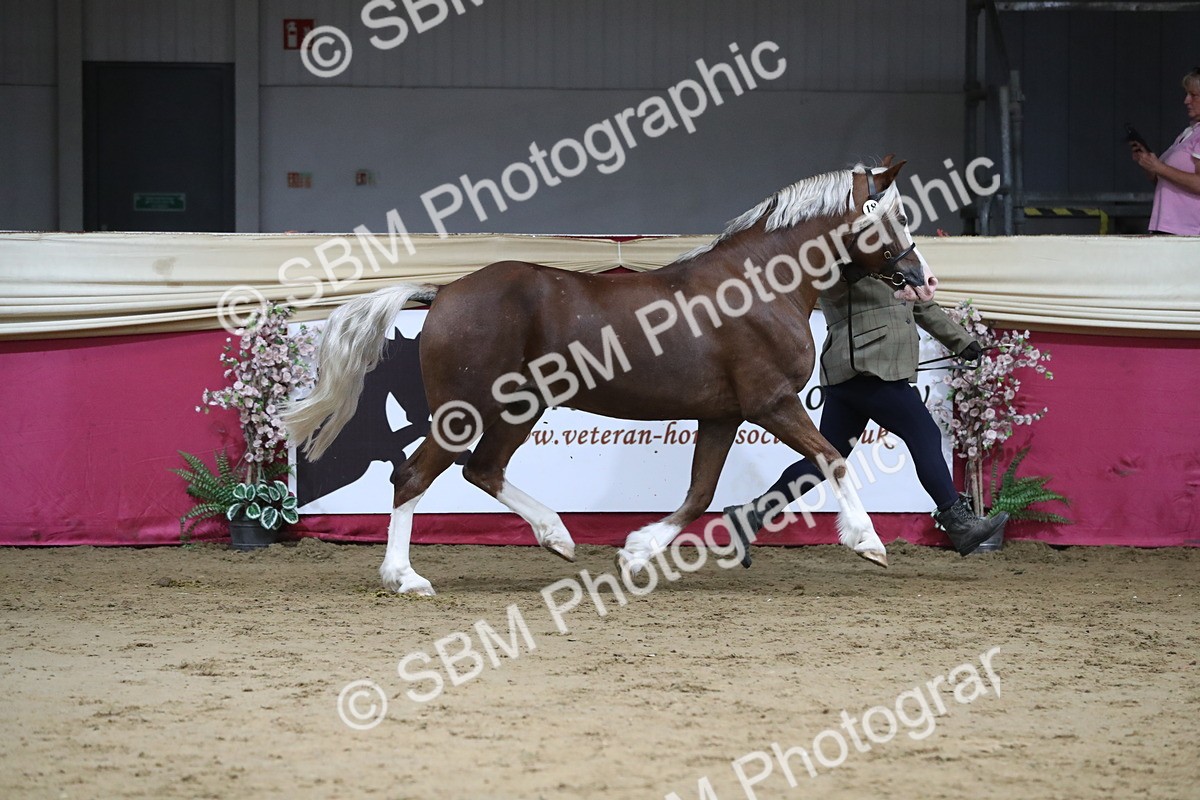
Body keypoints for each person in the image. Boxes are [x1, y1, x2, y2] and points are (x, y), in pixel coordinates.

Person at [723, 273, 1008, 565]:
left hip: (858, 371)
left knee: (824, 460)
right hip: (867, 367)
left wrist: (961, 341)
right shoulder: (843, 254)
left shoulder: (889, 258)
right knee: (924, 433)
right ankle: (959, 523)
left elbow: (919, 304)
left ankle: (750, 516)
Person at [1129, 66, 1200, 235]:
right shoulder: (1189, 132)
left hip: (1188, 229)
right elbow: (1165, 181)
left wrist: (1159, 167)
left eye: (1193, 95)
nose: (1186, 100)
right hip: (1169, 225)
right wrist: (1150, 165)